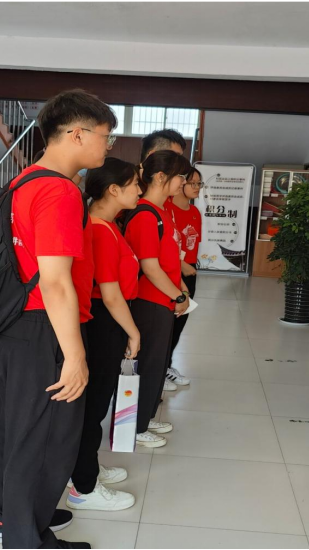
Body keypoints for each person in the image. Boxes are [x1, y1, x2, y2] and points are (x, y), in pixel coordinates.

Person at [0, 89, 116, 549]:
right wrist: (75, 357)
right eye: (105, 136)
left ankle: (10, 517)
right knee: (47, 435)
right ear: (77, 134)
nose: (107, 146)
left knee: (16, 425)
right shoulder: (59, 191)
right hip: (45, 326)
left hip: (15, 324)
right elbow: (56, 282)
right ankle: (24, 537)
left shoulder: (25, 180)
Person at [66, 158, 142, 512]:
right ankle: (83, 487)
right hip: (103, 323)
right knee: (92, 408)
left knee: (94, 406)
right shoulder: (100, 230)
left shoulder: (107, 225)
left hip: (104, 321)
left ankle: (86, 469)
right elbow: (110, 295)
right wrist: (133, 332)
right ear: (113, 189)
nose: (139, 190)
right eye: (135, 184)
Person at [124, 150, 192, 448]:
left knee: (158, 363)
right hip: (148, 302)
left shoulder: (163, 212)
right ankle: (135, 426)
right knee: (148, 365)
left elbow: (170, 260)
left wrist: (181, 290)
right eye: (181, 177)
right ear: (161, 177)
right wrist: (177, 294)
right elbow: (150, 267)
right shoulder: (144, 214)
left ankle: (146, 416)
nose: (184, 183)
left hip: (163, 301)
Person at [164, 167, 203, 386]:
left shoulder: (195, 212)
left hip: (189, 272)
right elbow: (164, 246)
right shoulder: (166, 208)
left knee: (180, 323)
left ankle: (166, 365)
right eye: (192, 183)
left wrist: (189, 267)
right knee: (166, 324)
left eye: (199, 183)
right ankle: (159, 369)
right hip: (171, 272)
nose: (197, 187)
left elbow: (193, 245)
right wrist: (181, 265)